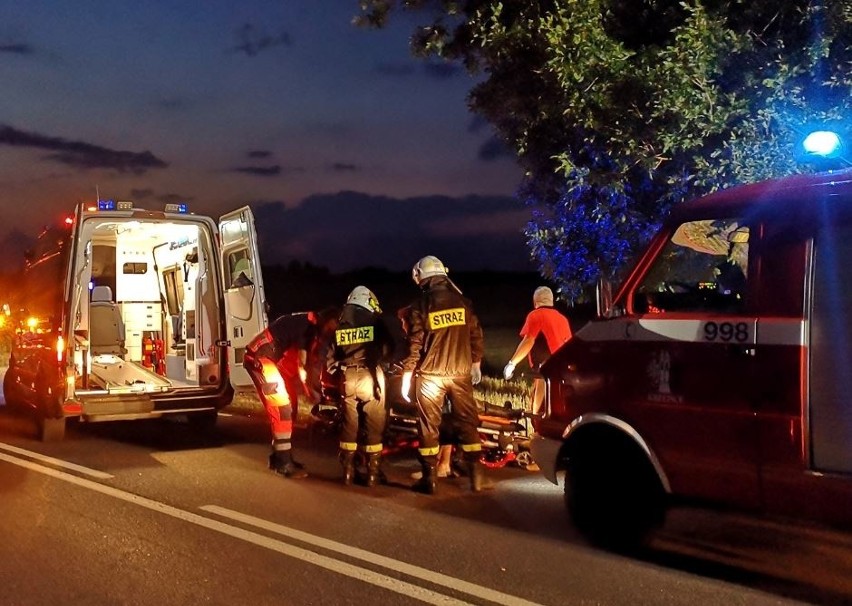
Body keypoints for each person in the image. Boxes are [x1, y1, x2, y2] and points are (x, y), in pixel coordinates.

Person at [401, 255, 486, 494]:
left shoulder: (420, 305)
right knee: (468, 424)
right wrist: (476, 363)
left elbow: (415, 343)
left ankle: (429, 480)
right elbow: (476, 335)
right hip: (460, 374)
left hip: (430, 376)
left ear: (421, 277)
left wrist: (408, 373)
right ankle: (476, 478)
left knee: (429, 427)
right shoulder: (463, 302)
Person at [244, 309, 338, 478]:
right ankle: (283, 463)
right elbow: (302, 365)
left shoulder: (311, 325)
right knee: (282, 408)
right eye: (334, 326)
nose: (335, 331)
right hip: (261, 357)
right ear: (328, 321)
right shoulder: (309, 328)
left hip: (269, 358)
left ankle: (279, 456)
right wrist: (310, 392)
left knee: (291, 405)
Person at [328, 286, 395, 487]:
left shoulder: (341, 324)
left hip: (348, 378)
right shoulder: (376, 322)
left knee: (350, 424)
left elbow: (332, 354)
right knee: (374, 424)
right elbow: (388, 348)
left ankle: (348, 472)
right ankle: (373, 474)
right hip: (371, 376)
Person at [503, 286, 572, 417]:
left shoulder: (536, 315)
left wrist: (512, 363)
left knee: (538, 408)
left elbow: (528, 341)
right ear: (551, 301)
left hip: (545, 370)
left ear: (535, 302)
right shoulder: (563, 319)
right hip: (563, 371)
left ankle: (538, 429)